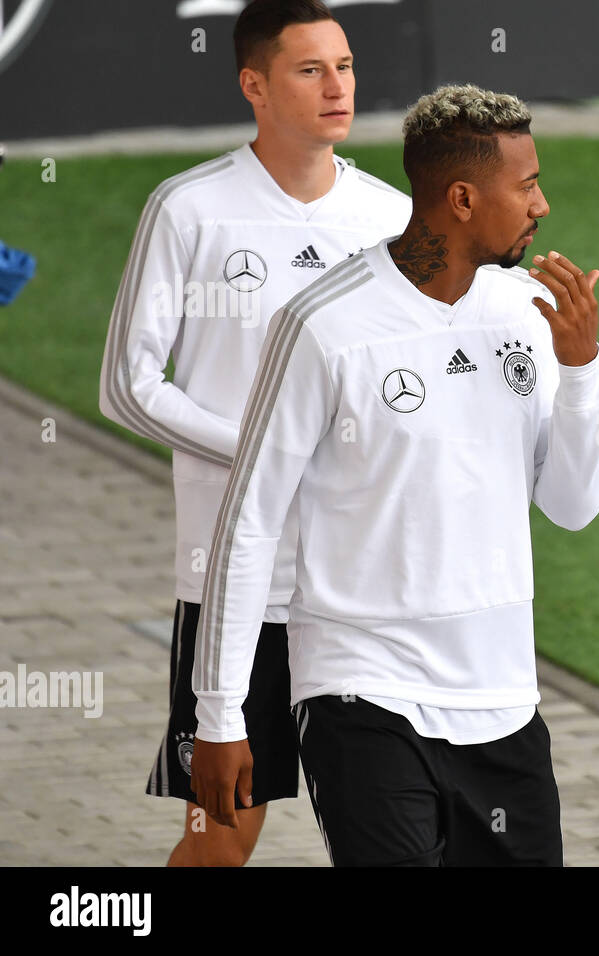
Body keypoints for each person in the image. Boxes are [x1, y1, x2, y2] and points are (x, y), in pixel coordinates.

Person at [188, 83, 599, 867]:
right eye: (525, 185)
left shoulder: (528, 313)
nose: (542, 205)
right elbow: (247, 524)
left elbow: (575, 504)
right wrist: (219, 715)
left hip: (502, 701)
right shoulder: (323, 324)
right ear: (461, 197)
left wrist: (582, 368)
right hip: (363, 693)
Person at [97, 0, 411, 866]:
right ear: (254, 85)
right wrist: (262, 451)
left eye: (344, 66)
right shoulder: (189, 209)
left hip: (359, 596)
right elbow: (127, 385)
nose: (337, 86)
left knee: (394, 831)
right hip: (235, 587)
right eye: (310, 70)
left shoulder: (388, 218)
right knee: (222, 835)